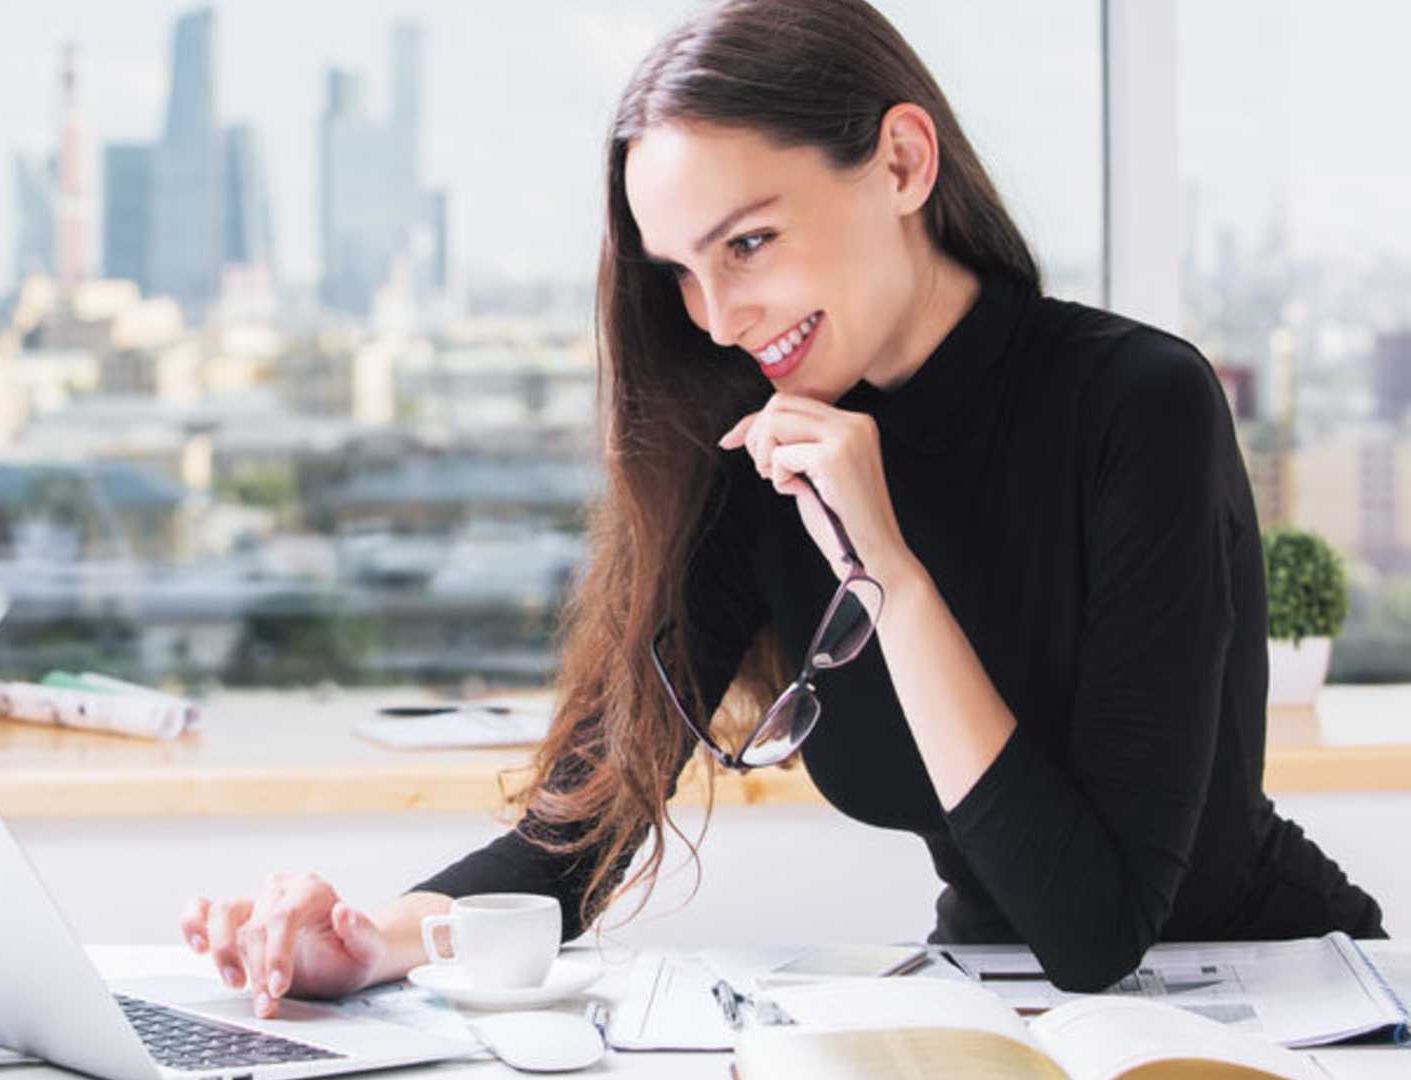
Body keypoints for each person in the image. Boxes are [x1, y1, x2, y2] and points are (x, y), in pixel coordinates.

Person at [179, 0, 1386, 1019]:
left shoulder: (1141, 405)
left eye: (749, 243)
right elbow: (584, 826)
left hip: (1275, 1001)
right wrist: (376, 940)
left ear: (905, 164)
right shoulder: (761, 444)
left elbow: (1097, 929)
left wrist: (889, 578)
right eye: (682, 272)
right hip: (997, 1004)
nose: (716, 317)